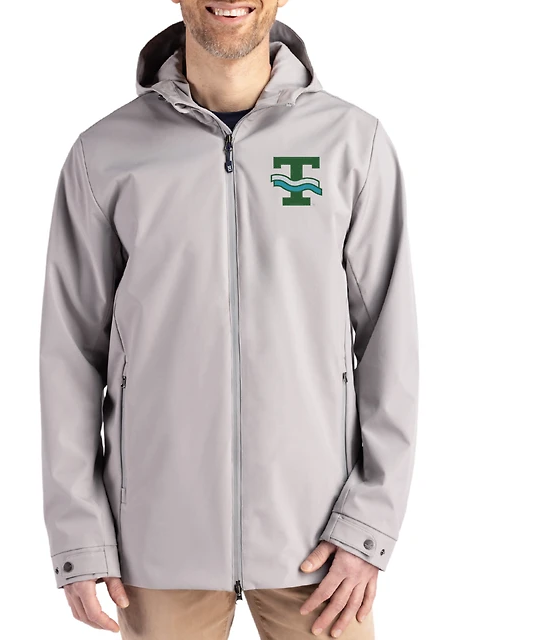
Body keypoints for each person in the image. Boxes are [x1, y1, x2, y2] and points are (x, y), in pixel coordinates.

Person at [38, 1, 419, 638]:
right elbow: (70, 353)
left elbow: (390, 343)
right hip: (157, 545)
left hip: (321, 546)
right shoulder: (103, 154)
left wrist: (369, 524)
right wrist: (78, 532)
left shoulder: (353, 144)